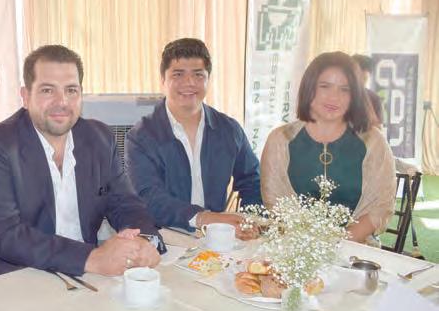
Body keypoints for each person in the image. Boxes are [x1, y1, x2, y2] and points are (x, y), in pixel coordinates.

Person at [0, 45, 164, 283]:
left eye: (71, 90)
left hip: (83, 275)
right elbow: (7, 235)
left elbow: (126, 204)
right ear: (26, 97)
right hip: (11, 277)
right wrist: (93, 258)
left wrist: (143, 241)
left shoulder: (99, 138)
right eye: (47, 90)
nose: (62, 102)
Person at [124, 38, 261, 238]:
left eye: (198, 75)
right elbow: (149, 198)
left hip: (218, 236)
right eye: (178, 74)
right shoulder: (141, 137)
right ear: (163, 80)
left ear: (208, 79)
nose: (189, 83)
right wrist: (204, 218)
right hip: (164, 238)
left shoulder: (229, 130)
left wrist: (249, 221)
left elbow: (252, 180)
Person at [260, 51, 395, 244]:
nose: (334, 97)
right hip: (293, 246)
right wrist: (308, 247)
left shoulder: (373, 142)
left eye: (345, 89)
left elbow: (380, 206)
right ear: (309, 88)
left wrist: (337, 244)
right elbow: (275, 200)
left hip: (355, 248)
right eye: (325, 86)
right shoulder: (281, 140)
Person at [351, 54, 383, 127]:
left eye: (364, 79)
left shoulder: (374, 98)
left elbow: (378, 128)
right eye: (356, 78)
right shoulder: (341, 95)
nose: (359, 83)